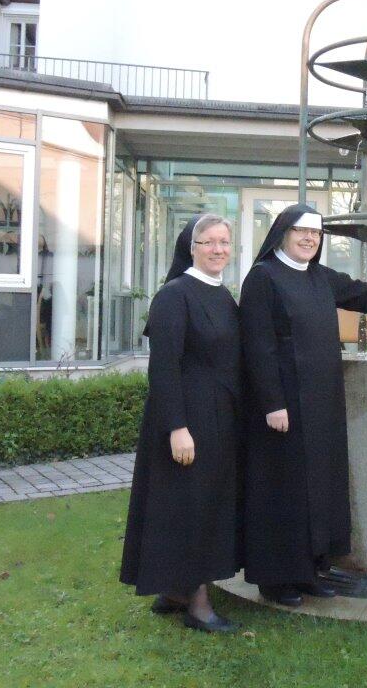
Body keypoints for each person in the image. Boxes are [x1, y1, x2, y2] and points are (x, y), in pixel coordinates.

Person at [240, 204, 367, 607]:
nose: (310, 239)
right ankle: (276, 579)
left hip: (322, 401)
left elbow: (364, 294)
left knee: (318, 487)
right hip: (284, 404)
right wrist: (272, 403)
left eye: (316, 233)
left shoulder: (318, 276)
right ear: (282, 234)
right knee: (285, 488)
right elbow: (258, 347)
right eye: (302, 232)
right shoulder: (263, 278)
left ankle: (309, 570)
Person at [120, 214, 243, 634]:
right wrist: (176, 427)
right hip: (186, 420)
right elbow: (164, 368)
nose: (217, 249)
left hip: (218, 420)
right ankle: (197, 604)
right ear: (190, 248)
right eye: (207, 242)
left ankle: (173, 590)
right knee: (188, 510)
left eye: (224, 242)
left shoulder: (223, 295)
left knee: (202, 507)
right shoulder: (174, 295)